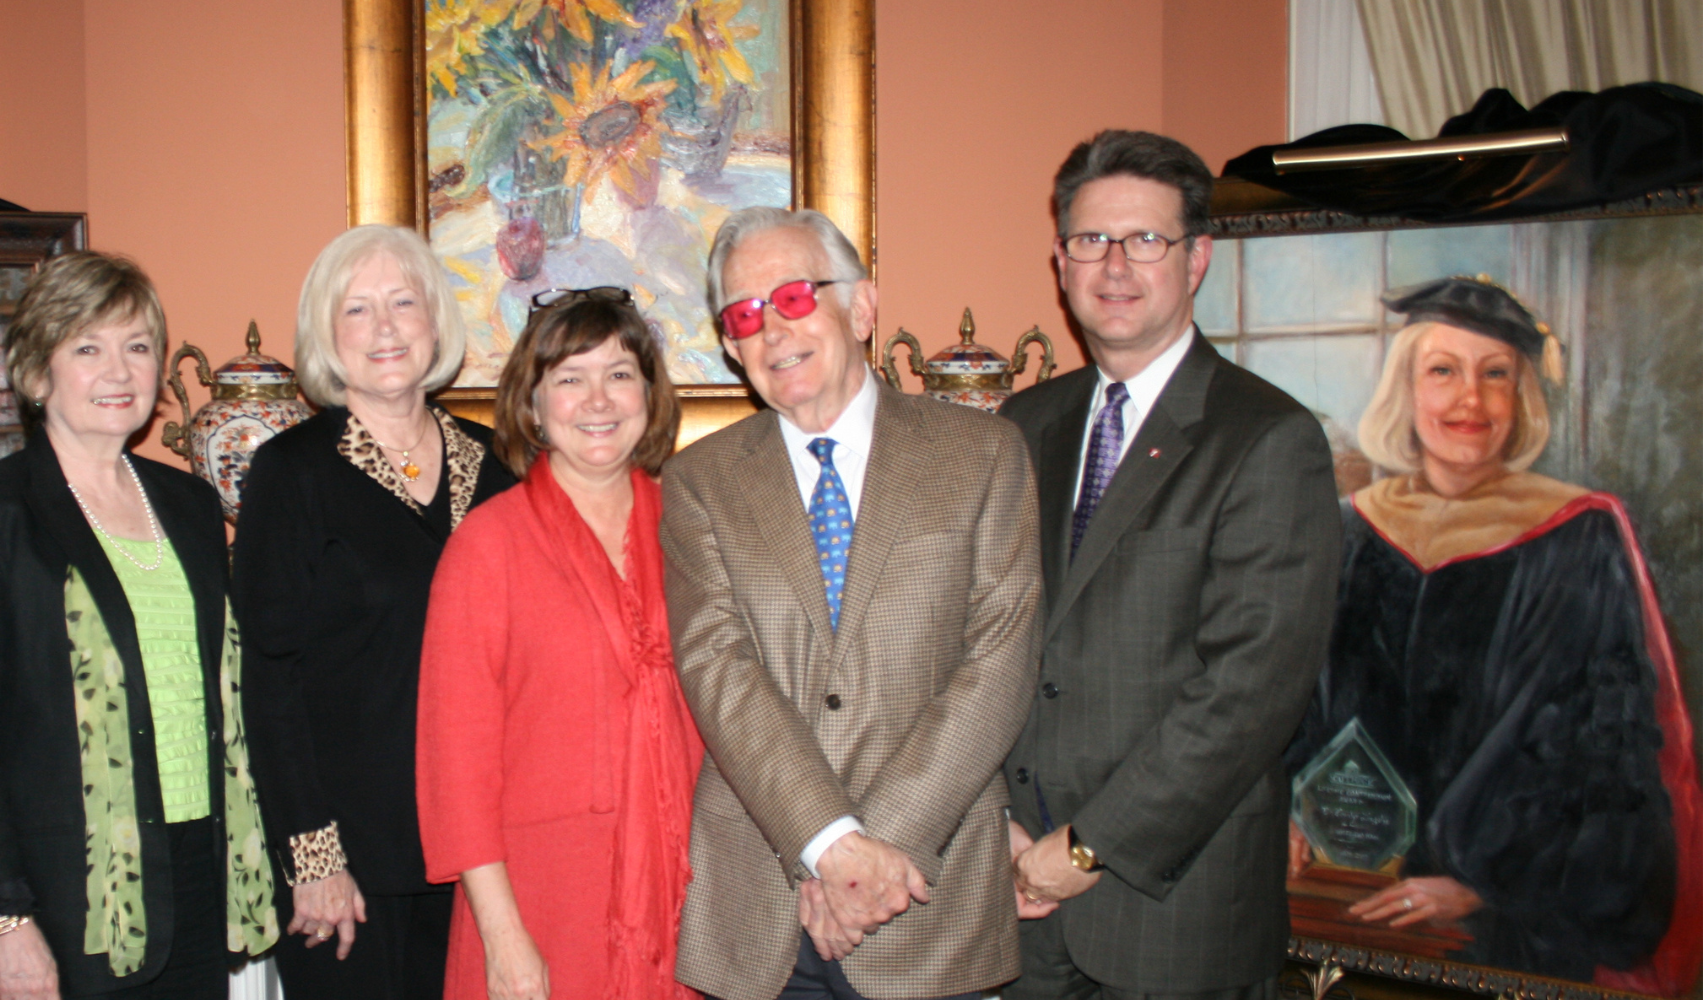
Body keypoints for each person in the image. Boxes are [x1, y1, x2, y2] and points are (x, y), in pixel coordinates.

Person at [662, 206, 1045, 1000]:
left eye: (795, 297)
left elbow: (1000, 663)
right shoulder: (700, 483)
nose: (771, 329)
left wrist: (874, 856)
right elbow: (719, 674)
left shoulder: (983, 453)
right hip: (764, 912)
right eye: (743, 314)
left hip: (926, 899)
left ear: (863, 308)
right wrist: (830, 845)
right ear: (731, 348)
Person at [995, 129, 1341, 1000]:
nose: (1115, 266)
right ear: (1059, 261)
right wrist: (990, 819)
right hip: (1021, 917)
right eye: (1090, 241)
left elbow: (1250, 696)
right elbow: (981, 639)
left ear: (1196, 261)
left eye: (1146, 240)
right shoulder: (1022, 426)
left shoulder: (1267, 437)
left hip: (1174, 916)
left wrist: (1085, 848)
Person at [1285, 277, 1703, 994]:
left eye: (1496, 375)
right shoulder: (1351, 529)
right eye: (1442, 371)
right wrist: (1286, 810)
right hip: (1346, 902)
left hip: (1509, 932)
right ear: (1406, 392)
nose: (1469, 400)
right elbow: (1299, 696)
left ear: (1523, 399)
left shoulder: (1579, 535)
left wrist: (1486, 884)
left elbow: (1609, 751)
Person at [0, 251, 275, 999]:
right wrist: (4, 919)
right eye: (88, 347)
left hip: (197, 875)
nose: (119, 371)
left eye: (137, 347)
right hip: (66, 898)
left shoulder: (190, 506)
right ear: (36, 369)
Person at [234, 224, 520, 1000]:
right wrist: (314, 858)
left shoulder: (494, 465)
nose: (386, 328)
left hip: (485, 853)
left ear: (436, 321)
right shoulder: (291, 473)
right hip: (353, 866)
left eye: (403, 302)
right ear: (328, 337)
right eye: (357, 310)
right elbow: (269, 677)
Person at [415, 288, 702, 1000]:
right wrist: (503, 937)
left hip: (691, 891)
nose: (597, 400)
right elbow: (457, 766)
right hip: (542, 900)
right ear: (533, 405)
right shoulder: (487, 545)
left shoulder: (695, 529)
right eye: (569, 379)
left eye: (619, 374)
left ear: (650, 393)